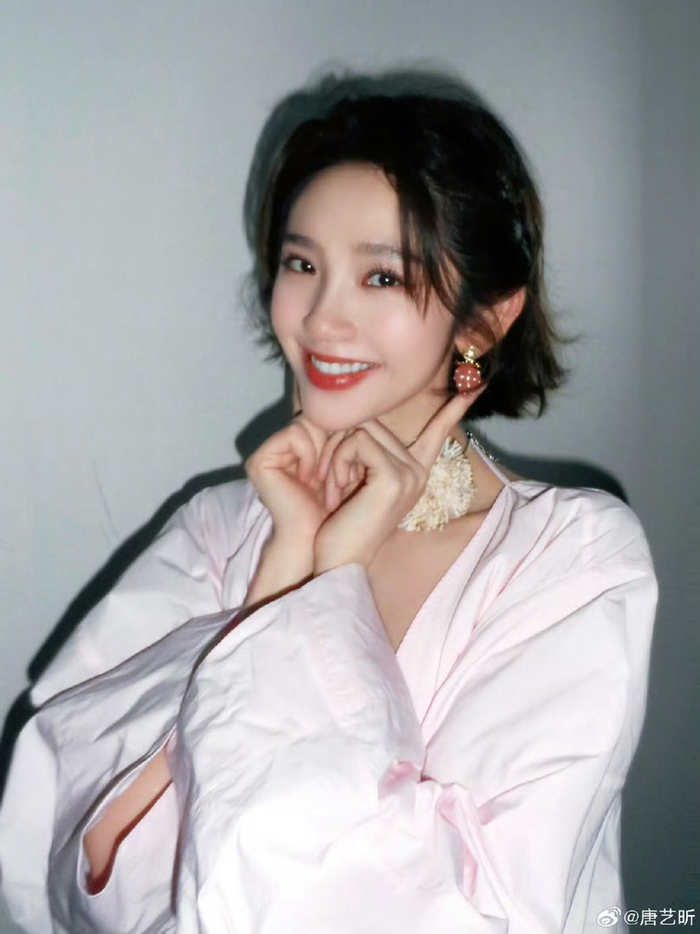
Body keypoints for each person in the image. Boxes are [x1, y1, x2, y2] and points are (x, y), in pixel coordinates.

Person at [0, 77, 656, 934]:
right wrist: (285, 577)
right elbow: (70, 855)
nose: (320, 318)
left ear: (486, 322)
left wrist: (326, 590)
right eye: (301, 264)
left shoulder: (570, 559)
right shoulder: (222, 528)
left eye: (382, 276)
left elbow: (460, 915)